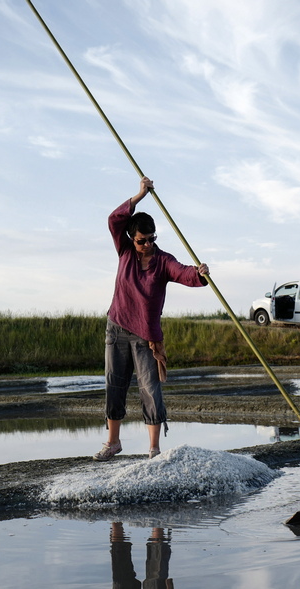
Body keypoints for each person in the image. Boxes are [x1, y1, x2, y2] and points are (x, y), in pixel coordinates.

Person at [94, 177, 210, 461]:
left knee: (150, 388)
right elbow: (114, 220)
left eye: (152, 239)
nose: (148, 244)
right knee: (115, 384)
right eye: (142, 240)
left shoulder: (163, 261)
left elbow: (184, 273)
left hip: (146, 336)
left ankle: (154, 450)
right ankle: (113, 443)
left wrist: (200, 273)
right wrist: (139, 195)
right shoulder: (124, 252)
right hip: (117, 327)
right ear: (132, 240)